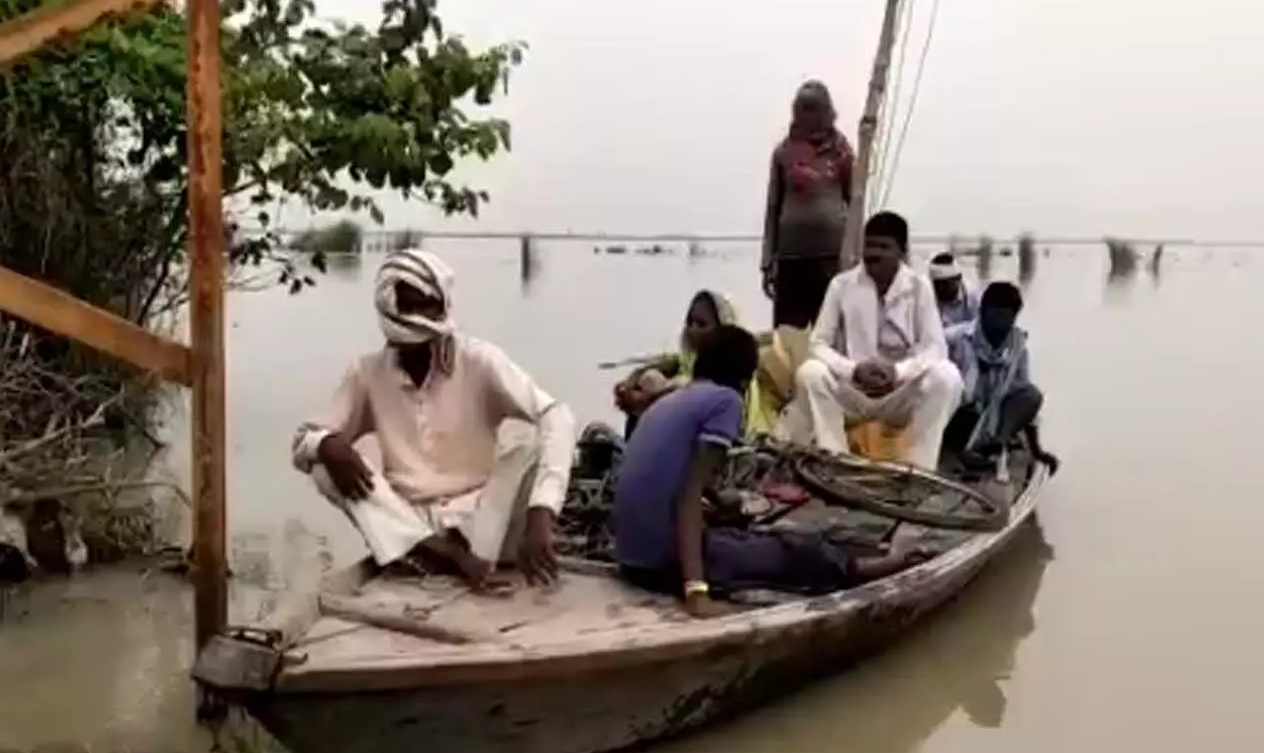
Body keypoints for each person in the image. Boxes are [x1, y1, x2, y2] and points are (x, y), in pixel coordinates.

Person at [292, 248, 577, 589]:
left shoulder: (480, 360)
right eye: (411, 305)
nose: (423, 315)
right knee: (326, 464)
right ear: (391, 306)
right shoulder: (366, 373)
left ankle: (446, 553)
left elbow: (557, 415)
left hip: (484, 523)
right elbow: (300, 444)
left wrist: (541, 513)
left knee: (530, 440)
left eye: (429, 304)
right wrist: (327, 444)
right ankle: (437, 553)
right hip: (409, 523)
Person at [613, 324, 928, 618]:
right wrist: (696, 592)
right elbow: (689, 495)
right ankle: (874, 568)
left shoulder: (670, 400)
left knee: (750, 538)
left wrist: (720, 501)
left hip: (630, 555)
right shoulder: (726, 401)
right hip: (662, 563)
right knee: (796, 552)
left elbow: (683, 473)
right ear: (744, 377)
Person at [789, 211, 963, 468]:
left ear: (902, 252)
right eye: (869, 245)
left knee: (948, 377)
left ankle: (916, 469)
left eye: (883, 247)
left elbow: (936, 348)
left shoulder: (919, 287)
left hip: (898, 395)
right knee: (810, 373)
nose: (873, 254)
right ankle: (836, 462)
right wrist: (853, 370)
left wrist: (898, 372)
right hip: (853, 392)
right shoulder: (842, 285)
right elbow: (818, 344)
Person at [760, 80, 855, 330]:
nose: (807, 114)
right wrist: (768, 260)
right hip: (791, 257)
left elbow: (854, 202)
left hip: (831, 258)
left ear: (826, 111)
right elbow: (773, 207)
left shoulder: (842, 153)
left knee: (831, 331)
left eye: (813, 108)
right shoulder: (783, 153)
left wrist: (855, 257)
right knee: (789, 334)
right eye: (802, 107)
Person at [613, 290, 770, 438]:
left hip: (726, 439)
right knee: (648, 378)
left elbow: (695, 393)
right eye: (690, 322)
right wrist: (629, 384)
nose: (692, 330)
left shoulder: (734, 369)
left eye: (702, 324)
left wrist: (644, 400)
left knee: (653, 381)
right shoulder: (688, 359)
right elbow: (663, 364)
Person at [942, 281, 1060, 474]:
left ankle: (996, 444)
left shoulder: (1018, 347)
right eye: (995, 316)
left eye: (1007, 318)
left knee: (1031, 395)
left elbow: (1024, 394)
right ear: (982, 313)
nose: (1000, 324)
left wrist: (1037, 451)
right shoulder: (955, 340)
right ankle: (957, 451)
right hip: (958, 414)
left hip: (992, 414)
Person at [928, 252, 978, 340]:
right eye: (936, 284)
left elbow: (978, 327)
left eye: (945, 283)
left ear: (958, 279)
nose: (940, 288)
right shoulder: (927, 294)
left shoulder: (972, 295)